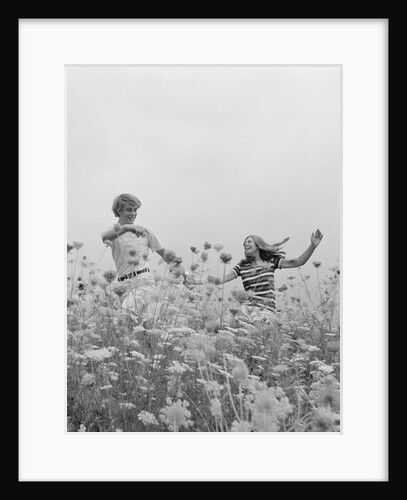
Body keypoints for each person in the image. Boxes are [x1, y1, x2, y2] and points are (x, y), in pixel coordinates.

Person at [101, 193, 177, 319]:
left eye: (135, 210)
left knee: (122, 319)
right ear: (118, 211)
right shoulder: (113, 231)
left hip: (143, 281)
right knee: (139, 327)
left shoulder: (146, 231)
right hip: (123, 285)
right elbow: (104, 237)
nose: (133, 213)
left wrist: (183, 275)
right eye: (129, 210)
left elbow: (167, 256)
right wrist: (126, 228)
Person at [219, 230, 323, 316]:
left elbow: (298, 262)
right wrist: (209, 281)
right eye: (244, 243)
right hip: (247, 307)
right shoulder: (241, 266)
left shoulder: (272, 261)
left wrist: (312, 246)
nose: (246, 244)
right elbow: (220, 280)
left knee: (253, 332)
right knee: (222, 324)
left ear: (258, 244)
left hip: (266, 309)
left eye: (249, 241)